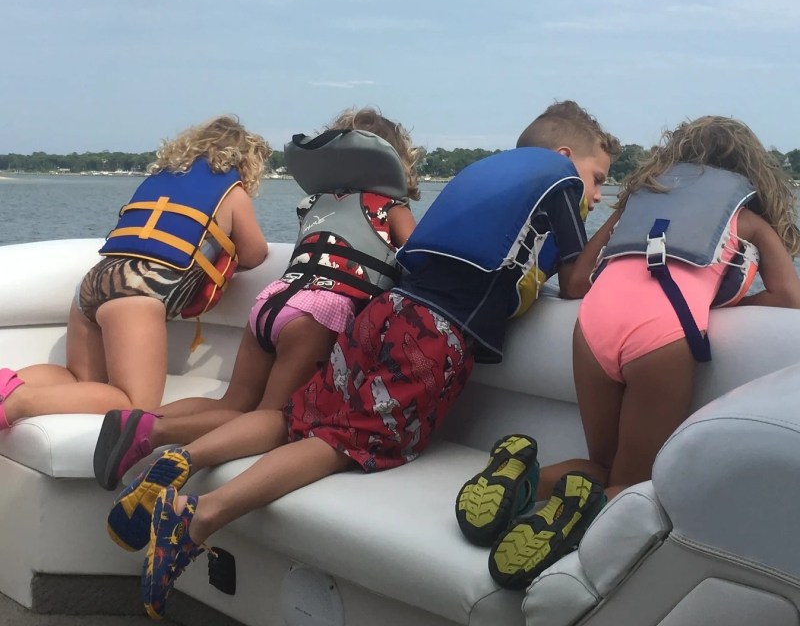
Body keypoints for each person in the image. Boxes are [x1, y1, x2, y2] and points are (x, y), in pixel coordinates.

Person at [104, 100, 620, 619]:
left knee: (293, 416)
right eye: (599, 178)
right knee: (343, 443)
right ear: (563, 155)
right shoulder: (560, 184)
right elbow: (575, 282)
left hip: (383, 312)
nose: (596, 193)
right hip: (435, 335)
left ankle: (181, 459)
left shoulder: (485, 176)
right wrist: (620, 217)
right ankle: (197, 518)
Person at [458, 115, 800, 591]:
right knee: (632, 484)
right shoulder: (746, 217)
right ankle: (566, 531)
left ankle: (522, 478)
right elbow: (788, 298)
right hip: (660, 338)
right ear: (748, 170)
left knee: (602, 464)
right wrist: (721, 301)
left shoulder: (638, 202)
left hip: (592, 329)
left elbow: (575, 283)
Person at [92, 107, 421, 496]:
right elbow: (419, 261)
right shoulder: (391, 209)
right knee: (275, 419)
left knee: (235, 401)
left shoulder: (313, 203)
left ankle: (135, 422)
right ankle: (159, 434)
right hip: (318, 314)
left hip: (272, 302)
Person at [0, 115, 269, 430]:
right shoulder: (232, 192)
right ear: (246, 160)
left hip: (94, 282)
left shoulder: (160, 181)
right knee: (134, 403)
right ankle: (19, 403)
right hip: (137, 292)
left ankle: (7, 385)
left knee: (74, 377)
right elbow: (255, 253)